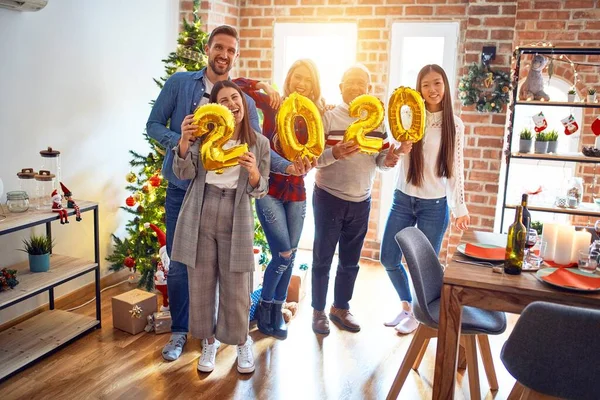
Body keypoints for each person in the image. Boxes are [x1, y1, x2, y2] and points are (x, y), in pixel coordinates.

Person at [146, 25, 287, 362]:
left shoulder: (246, 102)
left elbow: (257, 146)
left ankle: (238, 341)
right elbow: (154, 126)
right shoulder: (181, 85)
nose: (224, 55)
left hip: (233, 205)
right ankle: (188, 334)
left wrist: (286, 167)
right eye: (219, 47)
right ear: (208, 49)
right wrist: (183, 142)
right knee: (186, 269)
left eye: (231, 50)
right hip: (189, 192)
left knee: (235, 275)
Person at [171, 80, 270, 373]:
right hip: (202, 209)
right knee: (201, 283)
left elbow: (261, 189)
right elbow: (184, 172)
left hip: (236, 214)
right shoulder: (204, 138)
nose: (230, 104)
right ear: (214, 107)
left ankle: (241, 343)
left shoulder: (258, 143)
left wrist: (252, 172)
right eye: (223, 100)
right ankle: (209, 342)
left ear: (243, 102)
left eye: (234, 98)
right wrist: (184, 142)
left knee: (237, 285)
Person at [311, 64, 403, 335]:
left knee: (350, 261)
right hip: (329, 197)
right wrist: (335, 153)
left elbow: (381, 162)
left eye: (361, 83)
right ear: (340, 87)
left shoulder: (377, 120)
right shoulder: (327, 118)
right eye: (350, 82)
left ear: (368, 89)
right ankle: (318, 311)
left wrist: (390, 159)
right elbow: (314, 160)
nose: (355, 86)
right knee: (322, 258)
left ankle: (340, 307)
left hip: (361, 200)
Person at [235, 59, 324, 340]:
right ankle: (265, 308)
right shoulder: (272, 103)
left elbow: (318, 151)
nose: (302, 83)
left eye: (308, 79)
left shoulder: (314, 114)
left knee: (292, 254)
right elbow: (235, 87)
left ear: (314, 85)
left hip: (297, 192)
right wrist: (261, 84)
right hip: (268, 190)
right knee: (283, 253)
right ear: (288, 78)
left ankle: (275, 309)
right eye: (297, 77)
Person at [380, 64, 470, 335]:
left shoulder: (454, 124)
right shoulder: (406, 115)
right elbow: (394, 158)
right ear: (418, 88)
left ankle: (420, 316)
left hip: (435, 204)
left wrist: (460, 207)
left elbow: (455, 167)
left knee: (425, 270)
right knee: (389, 258)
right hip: (403, 199)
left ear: (445, 86)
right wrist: (400, 149)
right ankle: (408, 307)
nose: (433, 90)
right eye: (426, 84)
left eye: (438, 83)